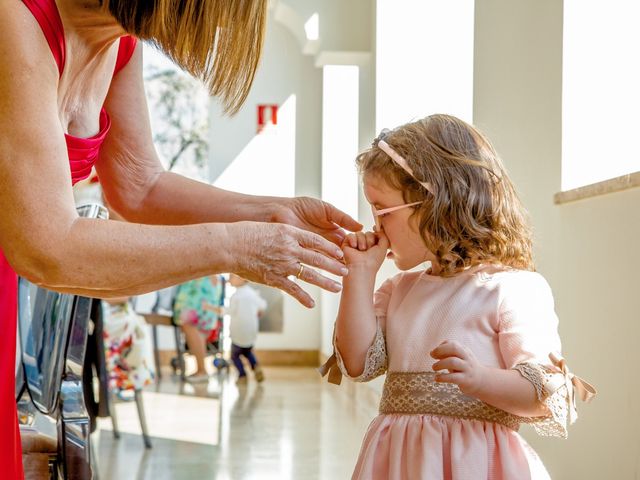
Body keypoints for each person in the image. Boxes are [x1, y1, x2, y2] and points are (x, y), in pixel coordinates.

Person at [0, 1, 361, 477]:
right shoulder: (15, 21)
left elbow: (139, 184)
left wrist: (272, 212)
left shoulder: (120, 43)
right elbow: (49, 247)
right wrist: (236, 247)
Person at [320, 114, 597, 479]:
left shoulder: (511, 289)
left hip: (475, 465)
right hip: (400, 465)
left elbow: (542, 393)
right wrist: (359, 274)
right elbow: (357, 364)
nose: (375, 225)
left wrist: (480, 379)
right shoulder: (398, 290)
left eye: (381, 209)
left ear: (435, 203)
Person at [173, 275, 223, 383]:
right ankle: (201, 369)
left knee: (190, 326)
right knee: (197, 330)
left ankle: (201, 370)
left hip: (199, 281)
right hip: (207, 281)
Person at [228, 274, 267, 385]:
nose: (229, 279)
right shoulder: (252, 293)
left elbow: (230, 311)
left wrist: (216, 309)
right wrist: (260, 311)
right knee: (247, 352)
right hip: (251, 331)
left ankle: (242, 375)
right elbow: (263, 305)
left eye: (232, 276)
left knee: (234, 356)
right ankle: (256, 367)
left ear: (242, 278)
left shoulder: (236, 296)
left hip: (239, 332)